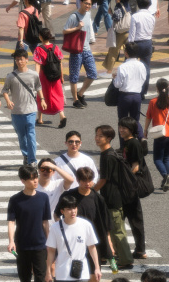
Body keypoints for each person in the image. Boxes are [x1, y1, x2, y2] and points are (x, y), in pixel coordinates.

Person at [54, 167, 114, 274]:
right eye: (84, 180)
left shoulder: (97, 198)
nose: (87, 183)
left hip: (92, 240)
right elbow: (57, 214)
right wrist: (62, 230)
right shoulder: (68, 196)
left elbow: (105, 222)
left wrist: (109, 243)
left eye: (90, 180)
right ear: (78, 180)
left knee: (94, 273)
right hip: (73, 241)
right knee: (73, 273)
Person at [93, 125, 135, 269]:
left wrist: (92, 190)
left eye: (101, 136)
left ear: (109, 138)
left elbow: (104, 179)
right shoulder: (108, 153)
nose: (97, 138)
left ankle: (126, 259)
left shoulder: (108, 156)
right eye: (97, 135)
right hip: (113, 197)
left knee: (117, 230)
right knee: (113, 228)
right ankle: (118, 254)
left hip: (112, 198)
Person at [7, 165, 51, 282]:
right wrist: (11, 241)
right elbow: (11, 222)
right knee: (24, 277)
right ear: (23, 180)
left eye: (36, 177)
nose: (36, 181)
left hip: (40, 244)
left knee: (40, 277)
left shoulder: (43, 198)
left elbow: (45, 222)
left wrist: (50, 241)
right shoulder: (15, 199)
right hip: (22, 244)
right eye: (32, 179)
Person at [2, 49, 45, 167]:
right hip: (16, 111)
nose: (19, 62)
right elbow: (5, 91)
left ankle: (32, 160)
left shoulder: (34, 74)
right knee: (22, 136)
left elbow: (38, 87)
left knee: (31, 134)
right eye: (17, 60)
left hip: (30, 110)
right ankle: (26, 155)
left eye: (21, 59)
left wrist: (42, 100)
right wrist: (8, 101)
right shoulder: (11, 76)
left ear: (26, 59)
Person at [46, 195, 102, 282]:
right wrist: (48, 272)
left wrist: (97, 268)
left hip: (81, 272)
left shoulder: (85, 225)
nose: (73, 211)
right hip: (62, 273)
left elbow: (92, 247)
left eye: (74, 208)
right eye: (69, 209)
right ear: (62, 211)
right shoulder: (55, 228)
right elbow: (51, 251)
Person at [143, 79, 169, 191]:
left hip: (160, 134)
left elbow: (148, 117)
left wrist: (145, 130)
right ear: (168, 88)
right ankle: (166, 182)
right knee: (166, 158)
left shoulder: (153, 102)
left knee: (157, 159)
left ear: (157, 88)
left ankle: (165, 176)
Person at [118, 117, 148, 260]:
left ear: (131, 129)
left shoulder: (134, 143)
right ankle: (138, 249)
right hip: (128, 186)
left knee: (134, 219)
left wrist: (123, 180)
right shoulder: (127, 143)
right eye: (120, 127)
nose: (121, 130)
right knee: (128, 218)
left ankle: (140, 250)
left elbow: (135, 167)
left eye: (124, 127)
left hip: (130, 187)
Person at [63, 0, 96, 109]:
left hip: (87, 49)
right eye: (86, 3)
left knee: (93, 74)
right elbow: (64, 31)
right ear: (81, 2)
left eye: (90, 4)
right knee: (74, 76)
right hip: (76, 50)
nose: (88, 6)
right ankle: (75, 100)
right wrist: (77, 28)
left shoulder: (88, 14)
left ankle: (80, 94)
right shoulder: (74, 16)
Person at [113, 42, 146, 147]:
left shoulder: (122, 67)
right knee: (135, 120)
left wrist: (114, 78)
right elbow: (143, 79)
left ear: (126, 53)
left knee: (122, 122)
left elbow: (118, 85)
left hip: (125, 96)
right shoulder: (141, 65)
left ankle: (123, 145)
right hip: (137, 95)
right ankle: (141, 138)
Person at [34, 28, 66, 128]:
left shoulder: (38, 49)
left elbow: (38, 65)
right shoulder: (55, 47)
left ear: (40, 37)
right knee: (57, 95)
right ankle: (62, 115)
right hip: (56, 76)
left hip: (44, 76)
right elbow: (60, 62)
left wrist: (36, 78)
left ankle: (40, 118)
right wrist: (61, 76)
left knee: (42, 96)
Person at [128, 0, 155, 98]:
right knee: (146, 67)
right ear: (149, 5)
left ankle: (132, 88)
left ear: (138, 5)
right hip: (148, 42)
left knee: (131, 66)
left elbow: (132, 33)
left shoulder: (135, 16)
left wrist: (129, 44)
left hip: (136, 43)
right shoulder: (151, 17)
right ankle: (143, 91)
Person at [36, 158, 74, 226]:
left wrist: (55, 167)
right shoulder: (32, 186)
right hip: (36, 224)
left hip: (54, 225)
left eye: (48, 169)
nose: (45, 172)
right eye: (42, 169)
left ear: (53, 172)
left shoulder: (57, 184)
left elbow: (70, 180)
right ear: (38, 171)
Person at [101, 0, 131, 77]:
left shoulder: (118, 5)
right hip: (128, 31)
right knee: (129, 51)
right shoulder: (127, 4)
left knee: (113, 51)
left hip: (120, 33)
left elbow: (117, 17)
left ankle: (109, 71)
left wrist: (111, 13)